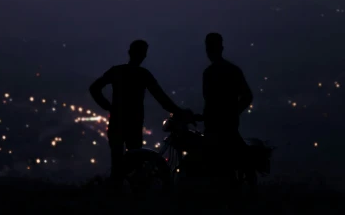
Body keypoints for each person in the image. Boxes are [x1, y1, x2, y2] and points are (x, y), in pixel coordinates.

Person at [90, 40, 191, 186]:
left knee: (118, 164)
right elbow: (161, 98)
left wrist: (108, 106)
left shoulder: (117, 71)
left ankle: (114, 195)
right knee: (135, 165)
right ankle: (132, 199)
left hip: (117, 122)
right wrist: (179, 111)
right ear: (143, 55)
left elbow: (94, 88)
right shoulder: (142, 74)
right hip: (134, 124)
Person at [201, 32, 253, 187]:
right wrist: (233, 113)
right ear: (221, 48)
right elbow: (247, 96)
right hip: (227, 126)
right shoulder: (232, 70)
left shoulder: (209, 73)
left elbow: (208, 99)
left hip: (215, 127)